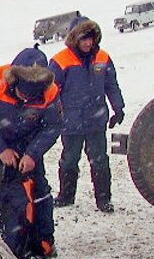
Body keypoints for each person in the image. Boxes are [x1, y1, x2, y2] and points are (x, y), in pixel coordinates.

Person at [0, 45, 62, 259]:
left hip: (29, 148)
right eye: (23, 94)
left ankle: (42, 242)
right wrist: (1, 150)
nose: (27, 100)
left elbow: (52, 126)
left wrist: (32, 154)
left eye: (32, 97)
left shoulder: (50, 92)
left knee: (39, 193)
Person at [50, 17, 124, 213]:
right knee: (69, 160)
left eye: (90, 38)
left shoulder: (104, 58)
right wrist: (52, 116)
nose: (87, 43)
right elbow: (50, 92)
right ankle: (66, 196)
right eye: (83, 38)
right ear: (75, 39)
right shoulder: (60, 61)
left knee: (100, 160)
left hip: (96, 121)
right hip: (70, 122)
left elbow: (111, 85)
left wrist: (119, 108)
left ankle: (104, 200)